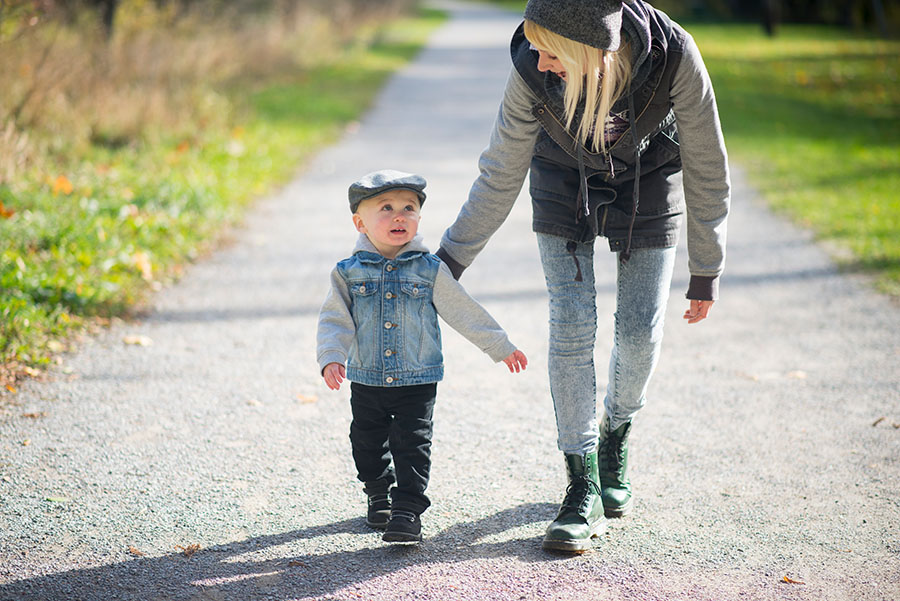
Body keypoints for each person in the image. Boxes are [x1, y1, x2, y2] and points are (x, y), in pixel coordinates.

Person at [434, 0, 730, 552]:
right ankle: (582, 480)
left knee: (639, 332)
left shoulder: (674, 56)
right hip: (560, 178)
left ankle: (616, 432)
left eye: (551, 52)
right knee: (571, 324)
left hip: (648, 178)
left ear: (591, 49)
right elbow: (499, 172)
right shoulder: (530, 70)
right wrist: (448, 263)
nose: (539, 60)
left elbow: (707, 162)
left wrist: (706, 266)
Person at [317, 169, 528, 543]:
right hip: (366, 377)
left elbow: (462, 310)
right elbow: (335, 319)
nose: (399, 216)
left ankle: (407, 511)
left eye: (409, 208)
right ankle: (378, 492)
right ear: (360, 223)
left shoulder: (430, 270)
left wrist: (499, 346)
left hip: (418, 378)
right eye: (386, 208)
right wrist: (332, 356)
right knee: (366, 444)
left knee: (412, 444)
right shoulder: (347, 273)